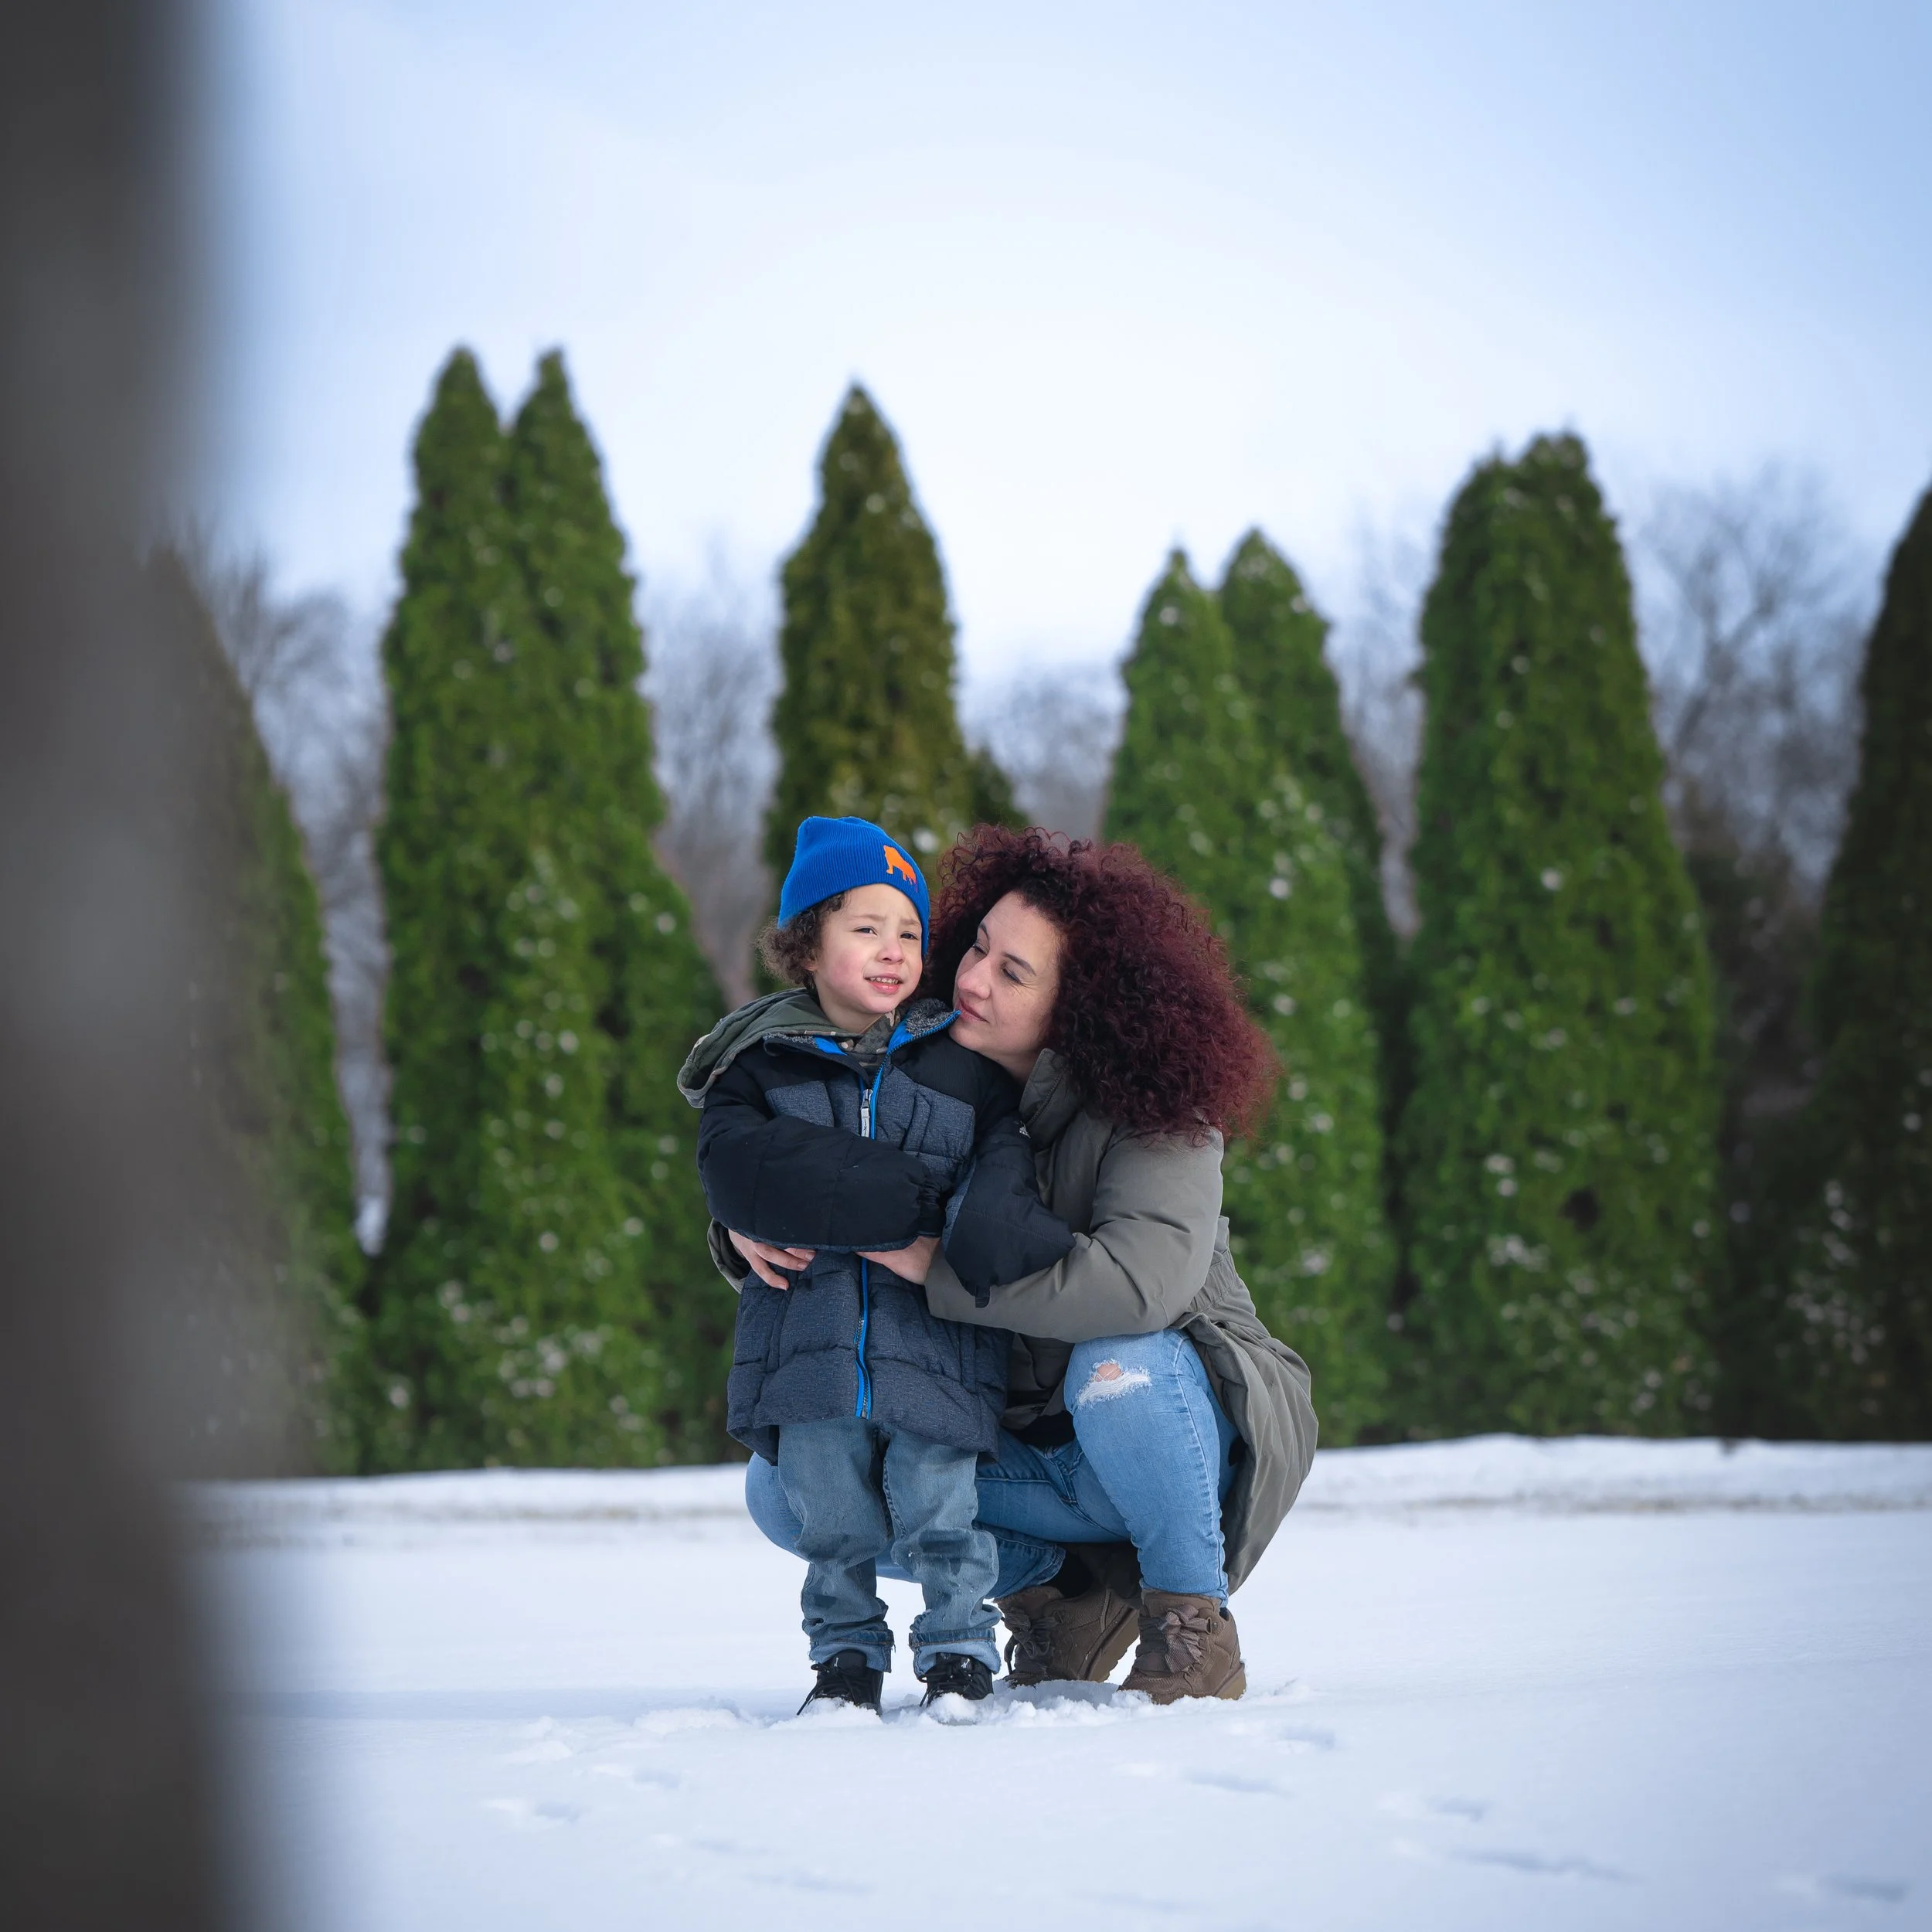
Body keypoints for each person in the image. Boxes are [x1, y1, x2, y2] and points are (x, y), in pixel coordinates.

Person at [732, 827, 1321, 1704]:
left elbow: (1137, 1286)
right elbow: (809, 1161)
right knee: (784, 1486)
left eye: (1013, 973)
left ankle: (1189, 1618)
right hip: (1012, 1449)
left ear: (1081, 1004)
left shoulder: (1161, 1113)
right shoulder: (919, 1075)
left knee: (1119, 1360)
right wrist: (744, 1222)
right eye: (976, 946)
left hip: (1164, 1433)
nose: (969, 979)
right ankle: (1062, 1595)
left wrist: (930, 1268)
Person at [678, 816, 1073, 1713]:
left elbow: (998, 1169)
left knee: (941, 1508)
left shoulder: (956, 1065)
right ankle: (845, 1661)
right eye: (866, 928)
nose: (893, 952)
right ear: (807, 941)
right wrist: (888, 1199)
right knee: (832, 1519)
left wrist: (979, 1235)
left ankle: (959, 1656)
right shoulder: (759, 1063)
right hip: (806, 1341)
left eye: (909, 932)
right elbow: (736, 1165)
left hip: (933, 1343)